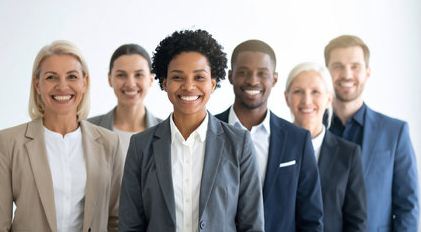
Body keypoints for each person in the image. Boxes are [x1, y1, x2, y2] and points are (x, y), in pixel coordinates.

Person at [119, 30, 264, 232]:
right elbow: (130, 225)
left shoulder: (239, 143)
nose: (188, 86)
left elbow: (252, 225)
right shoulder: (140, 146)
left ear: (212, 83)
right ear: (165, 83)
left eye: (199, 77)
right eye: (178, 77)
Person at [0, 40, 123, 232]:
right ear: (37, 84)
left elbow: (116, 220)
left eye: (72, 76)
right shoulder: (9, 142)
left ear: (85, 82)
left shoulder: (109, 142)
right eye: (51, 77)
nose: (62, 86)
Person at [216, 39, 323, 232]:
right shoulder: (208, 131)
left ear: (274, 79)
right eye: (243, 72)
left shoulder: (297, 140)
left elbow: (311, 218)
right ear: (231, 76)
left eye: (262, 74)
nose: (252, 80)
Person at [324, 35, 419, 232]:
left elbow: (408, 205)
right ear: (327, 73)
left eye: (355, 66)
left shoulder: (395, 132)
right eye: (338, 66)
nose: (347, 74)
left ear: (367, 73)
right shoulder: (309, 131)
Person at [285, 62, 367, 232]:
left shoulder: (349, 154)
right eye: (298, 91)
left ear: (329, 98)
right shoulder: (273, 148)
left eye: (315, 92)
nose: (307, 100)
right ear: (287, 97)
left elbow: (356, 223)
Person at [88, 44, 162, 161]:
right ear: (109, 79)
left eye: (138, 75)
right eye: (121, 75)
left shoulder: (167, 132)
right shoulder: (87, 130)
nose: (130, 84)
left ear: (150, 80)